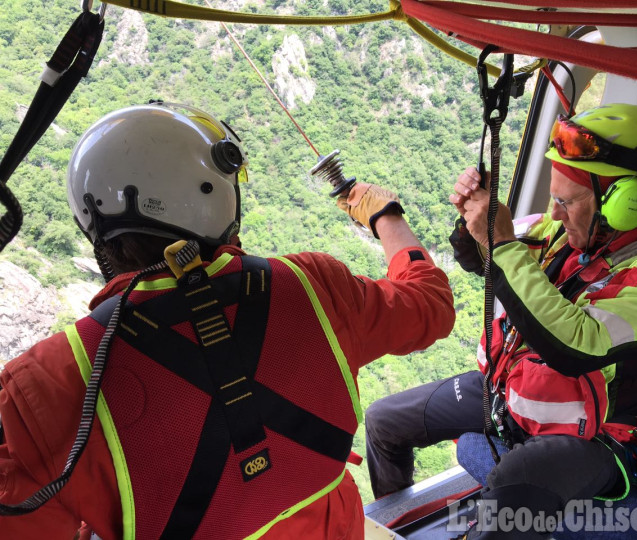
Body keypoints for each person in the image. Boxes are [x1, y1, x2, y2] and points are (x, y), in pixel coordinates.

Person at [0, 102, 455, 539]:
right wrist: (384, 215)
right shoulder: (313, 287)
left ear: (93, 220)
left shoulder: (44, 389)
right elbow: (430, 304)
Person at [364, 104, 637, 536]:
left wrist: (502, 243)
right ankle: (389, 526)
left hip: (598, 436)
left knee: (519, 476)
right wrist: (476, 222)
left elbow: (576, 345)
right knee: (384, 421)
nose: (556, 213)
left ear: (625, 205)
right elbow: (487, 263)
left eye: (566, 201)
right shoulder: (564, 232)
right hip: (517, 393)